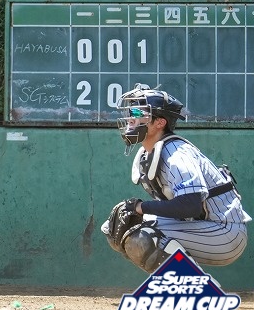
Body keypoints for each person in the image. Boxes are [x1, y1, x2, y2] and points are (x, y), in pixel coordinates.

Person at [102, 83, 250, 273]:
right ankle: (186, 283)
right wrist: (139, 212)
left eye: (138, 113)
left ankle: (193, 287)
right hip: (203, 225)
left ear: (160, 122)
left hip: (225, 231)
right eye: (131, 112)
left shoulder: (176, 154)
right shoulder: (150, 152)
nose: (131, 118)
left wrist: (141, 207)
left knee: (142, 236)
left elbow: (190, 205)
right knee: (119, 227)